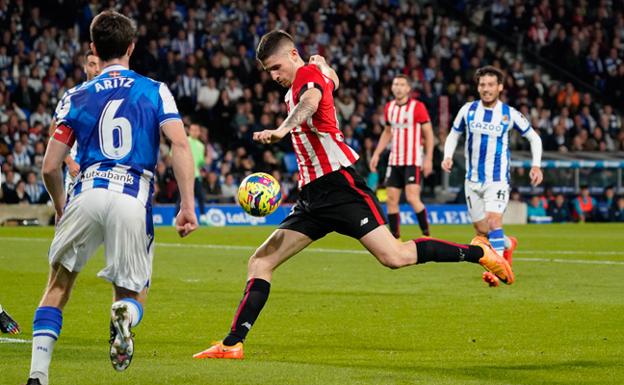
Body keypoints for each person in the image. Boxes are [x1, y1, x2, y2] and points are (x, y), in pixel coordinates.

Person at [192, 30, 514, 360]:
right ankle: (232, 344)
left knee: (395, 257)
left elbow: (310, 101)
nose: (274, 77)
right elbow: (330, 82)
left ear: (292, 55)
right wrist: (327, 66)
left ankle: (480, 252)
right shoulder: (315, 72)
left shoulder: (305, 76)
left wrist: (282, 130)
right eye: (268, 72)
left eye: (276, 67)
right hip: (313, 197)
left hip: (341, 186)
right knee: (261, 261)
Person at [24, 11, 198, 385]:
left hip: (86, 192)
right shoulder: (154, 90)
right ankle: (124, 316)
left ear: (93, 49)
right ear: (131, 47)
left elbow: (50, 166)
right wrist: (187, 204)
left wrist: (60, 207)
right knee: (133, 292)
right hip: (132, 196)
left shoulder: (76, 96)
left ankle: (38, 374)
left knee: (57, 286)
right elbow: (179, 144)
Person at [442, 66, 543, 280]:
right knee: (482, 229)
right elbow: (453, 134)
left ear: (500, 87)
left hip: (497, 180)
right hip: (472, 180)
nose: (486, 89)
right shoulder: (468, 110)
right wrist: (447, 156)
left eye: (490, 85)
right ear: (478, 87)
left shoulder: (509, 114)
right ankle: (508, 243)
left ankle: (495, 272)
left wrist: (536, 165)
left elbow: (534, 138)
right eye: (482, 85)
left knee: (494, 221)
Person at [369, 74, 434, 238]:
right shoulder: (389, 107)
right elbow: (387, 132)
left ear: (408, 88)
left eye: (402, 85)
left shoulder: (417, 107)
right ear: (392, 87)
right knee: (391, 199)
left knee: (412, 197)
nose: (398, 87)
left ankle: (426, 234)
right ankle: (395, 238)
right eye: (395, 84)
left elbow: (429, 134)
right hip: (394, 160)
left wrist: (428, 159)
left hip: (412, 160)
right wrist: (376, 154)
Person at [61, 49, 101, 193]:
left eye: (99, 65)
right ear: (84, 67)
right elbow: (54, 131)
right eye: (91, 64)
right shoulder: (72, 96)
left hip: (104, 170)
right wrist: (69, 162)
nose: (97, 69)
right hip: (77, 170)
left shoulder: (113, 95)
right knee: (66, 214)